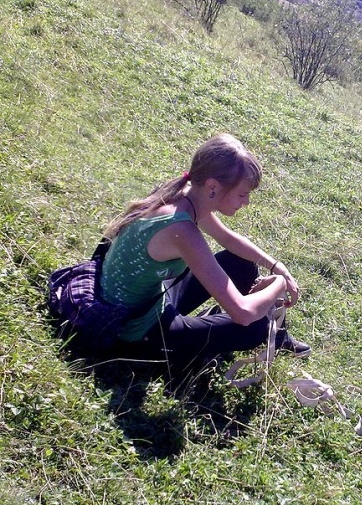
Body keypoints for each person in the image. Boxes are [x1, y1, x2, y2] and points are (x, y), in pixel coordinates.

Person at [99, 133, 310, 374]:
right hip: (135, 332)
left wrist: (277, 267)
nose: (247, 202)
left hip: (153, 299)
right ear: (213, 186)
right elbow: (243, 313)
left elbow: (229, 240)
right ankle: (189, 360)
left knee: (241, 261)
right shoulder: (181, 229)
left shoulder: (184, 195)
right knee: (256, 326)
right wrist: (279, 285)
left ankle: (277, 335)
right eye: (242, 194)